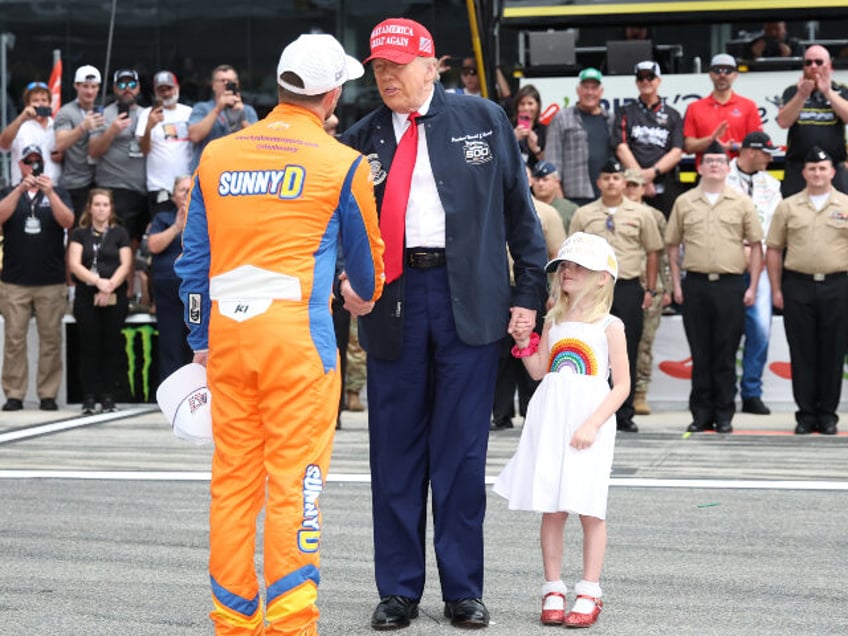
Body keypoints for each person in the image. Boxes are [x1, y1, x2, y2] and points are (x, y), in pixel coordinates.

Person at [340, 17, 547, 630]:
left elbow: (520, 214)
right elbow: (333, 232)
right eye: (378, 66)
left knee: (460, 455)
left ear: (432, 66)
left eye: (398, 65)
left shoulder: (483, 119)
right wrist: (340, 283)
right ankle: (398, 590)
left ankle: (463, 590)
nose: (386, 75)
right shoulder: (359, 137)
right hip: (392, 301)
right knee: (395, 455)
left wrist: (528, 295)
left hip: (471, 300)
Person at [174, 33, 384, 634]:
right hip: (300, 340)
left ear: (283, 83)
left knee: (234, 482)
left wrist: (199, 339)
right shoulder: (341, 161)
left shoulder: (217, 154)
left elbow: (193, 263)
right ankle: (291, 624)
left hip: (227, 338)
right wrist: (362, 296)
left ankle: (233, 622)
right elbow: (366, 269)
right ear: (333, 93)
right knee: (298, 482)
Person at [493, 232, 628, 629]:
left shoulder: (610, 325)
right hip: (550, 417)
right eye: (565, 266)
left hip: (590, 420)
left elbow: (621, 385)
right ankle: (553, 586)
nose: (568, 272)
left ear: (603, 277)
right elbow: (540, 371)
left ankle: (589, 590)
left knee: (589, 507)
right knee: (552, 507)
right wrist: (523, 343)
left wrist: (592, 423)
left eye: (579, 267)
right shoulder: (553, 320)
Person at [666, 142, 763, 434]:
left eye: (720, 161)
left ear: (726, 167)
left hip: (730, 285)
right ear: (699, 166)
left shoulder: (741, 201)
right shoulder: (685, 202)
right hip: (694, 284)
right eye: (709, 161)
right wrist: (675, 284)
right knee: (701, 352)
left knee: (725, 352)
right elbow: (672, 247)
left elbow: (756, 247)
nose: (714, 166)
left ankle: (724, 415)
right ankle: (701, 414)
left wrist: (753, 286)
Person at [569, 158, 663, 433]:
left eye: (616, 178)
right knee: (589, 347)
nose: (611, 182)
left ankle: (624, 413)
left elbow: (652, 251)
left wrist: (650, 288)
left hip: (628, 287)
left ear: (624, 182)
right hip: (592, 290)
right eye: (606, 178)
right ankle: (590, 410)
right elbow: (572, 252)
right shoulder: (583, 214)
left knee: (627, 349)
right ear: (598, 182)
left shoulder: (642, 213)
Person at [766, 147, 848, 435]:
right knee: (802, 353)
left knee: (833, 352)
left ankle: (827, 415)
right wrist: (776, 289)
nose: (817, 173)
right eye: (812, 168)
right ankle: (805, 415)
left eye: (822, 168)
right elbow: (774, 249)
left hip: (838, 286)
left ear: (832, 172)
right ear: (804, 173)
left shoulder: (846, 204)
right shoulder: (788, 206)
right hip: (797, 285)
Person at [0, 144, 74, 411]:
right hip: (14, 280)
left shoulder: (59, 191)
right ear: (20, 165)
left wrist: (50, 192)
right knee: (14, 340)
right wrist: (20, 189)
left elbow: (68, 221)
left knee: (51, 340)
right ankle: (14, 394)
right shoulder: (9, 191)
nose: (33, 166)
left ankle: (47, 394)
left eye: (37, 162)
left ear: (44, 164)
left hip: (51, 280)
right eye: (28, 162)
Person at [492, 166, 566, 431]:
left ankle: (531, 411)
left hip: (532, 287)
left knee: (532, 349)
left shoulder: (546, 213)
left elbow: (558, 257)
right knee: (499, 354)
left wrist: (556, 294)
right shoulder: (490, 208)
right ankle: (500, 414)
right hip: (496, 290)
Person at [726, 131, 782, 416]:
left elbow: (774, 226)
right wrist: (740, 248)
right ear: (750, 151)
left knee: (760, 331)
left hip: (759, 265)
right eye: (766, 153)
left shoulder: (771, 184)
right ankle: (723, 394)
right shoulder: (721, 177)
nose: (771, 158)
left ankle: (751, 393)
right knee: (726, 331)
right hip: (728, 264)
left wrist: (756, 252)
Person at [67, 188, 132, 414]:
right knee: (89, 347)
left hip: (115, 295)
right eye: (97, 204)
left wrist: (110, 285)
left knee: (111, 346)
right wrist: (97, 282)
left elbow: (125, 264)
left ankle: (108, 396)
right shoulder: (79, 234)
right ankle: (89, 396)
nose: (101, 209)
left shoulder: (120, 233)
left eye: (105, 204)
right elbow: (74, 264)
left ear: (111, 208)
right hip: (87, 295)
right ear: (90, 207)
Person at [622, 169, 671, 416]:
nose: (631, 190)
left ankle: (640, 392)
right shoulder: (612, 214)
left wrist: (668, 287)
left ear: (644, 188)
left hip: (649, 287)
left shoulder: (655, 216)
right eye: (627, 184)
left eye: (636, 186)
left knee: (644, 343)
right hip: (621, 286)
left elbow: (662, 255)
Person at [776, 45, 848, 197]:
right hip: (798, 168)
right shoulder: (792, 91)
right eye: (808, 63)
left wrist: (828, 92)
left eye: (818, 62)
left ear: (829, 67)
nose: (813, 66)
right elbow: (783, 122)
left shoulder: (841, 90)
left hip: (834, 168)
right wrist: (802, 95)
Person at [614, 61, 684, 217]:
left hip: (664, 183)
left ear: (659, 80)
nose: (645, 81)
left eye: (650, 77)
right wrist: (641, 179)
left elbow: (677, 151)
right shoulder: (625, 111)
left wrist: (651, 173)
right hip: (631, 184)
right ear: (636, 82)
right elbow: (621, 147)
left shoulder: (673, 115)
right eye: (641, 78)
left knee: (665, 230)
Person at [146, 175, 192, 383]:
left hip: (197, 290)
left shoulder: (208, 217)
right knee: (170, 343)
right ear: (173, 196)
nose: (187, 194)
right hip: (168, 290)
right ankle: (172, 396)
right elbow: (153, 246)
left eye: (191, 189)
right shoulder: (162, 218)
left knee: (198, 342)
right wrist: (176, 227)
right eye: (183, 190)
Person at [545, 67, 614, 206]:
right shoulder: (562, 117)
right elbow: (552, 158)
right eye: (585, 87)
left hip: (606, 195)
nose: (590, 92)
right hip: (574, 196)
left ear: (601, 92)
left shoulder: (611, 119)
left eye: (594, 88)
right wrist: (560, 198)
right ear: (578, 91)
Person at [683, 54, 763, 166]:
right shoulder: (694, 107)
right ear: (710, 75)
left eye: (728, 71)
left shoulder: (749, 106)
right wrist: (711, 140)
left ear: (735, 75)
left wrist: (732, 146)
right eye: (717, 70)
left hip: (739, 175)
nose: (722, 75)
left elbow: (758, 145)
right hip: (707, 174)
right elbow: (688, 147)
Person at [136, 70, 193, 215]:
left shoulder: (190, 113)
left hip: (187, 185)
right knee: (162, 228)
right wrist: (149, 126)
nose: (166, 93)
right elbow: (144, 150)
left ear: (177, 88)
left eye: (169, 88)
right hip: (160, 186)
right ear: (155, 92)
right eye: (161, 90)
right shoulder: (146, 114)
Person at [54, 65, 105, 218]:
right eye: (85, 86)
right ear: (76, 86)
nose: (89, 91)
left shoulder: (105, 110)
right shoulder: (66, 112)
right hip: (75, 184)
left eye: (93, 86)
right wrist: (83, 127)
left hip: (102, 181)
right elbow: (60, 143)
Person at [187, 64, 259, 171]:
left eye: (230, 81)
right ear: (213, 85)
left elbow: (257, 143)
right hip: (206, 170)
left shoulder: (247, 110)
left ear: (237, 84)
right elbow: (194, 136)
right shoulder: (202, 108)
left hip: (236, 171)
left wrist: (242, 117)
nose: (226, 84)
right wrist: (218, 109)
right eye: (222, 80)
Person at [0, 81, 62, 185]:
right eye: (35, 100)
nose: (40, 103)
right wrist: (21, 118)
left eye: (44, 100)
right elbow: (3, 144)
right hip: (24, 190)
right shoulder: (19, 127)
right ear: (27, 104)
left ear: (49, 103)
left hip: (53, 190)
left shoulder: (58, 126)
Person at [530, 160, 577, 232]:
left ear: (557, 183)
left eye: (545, 180)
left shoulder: (571, 210)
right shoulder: (528, 207)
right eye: (537, 180)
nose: (540, 184)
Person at [512, 84, 546, 169]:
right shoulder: (508, 127)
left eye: (530, 103)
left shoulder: (545, 130)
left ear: (538, 106)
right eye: (522, 104)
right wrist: (512, 139)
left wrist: (536, 149)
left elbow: (551, 164)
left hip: (537, 179)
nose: (526, 108)